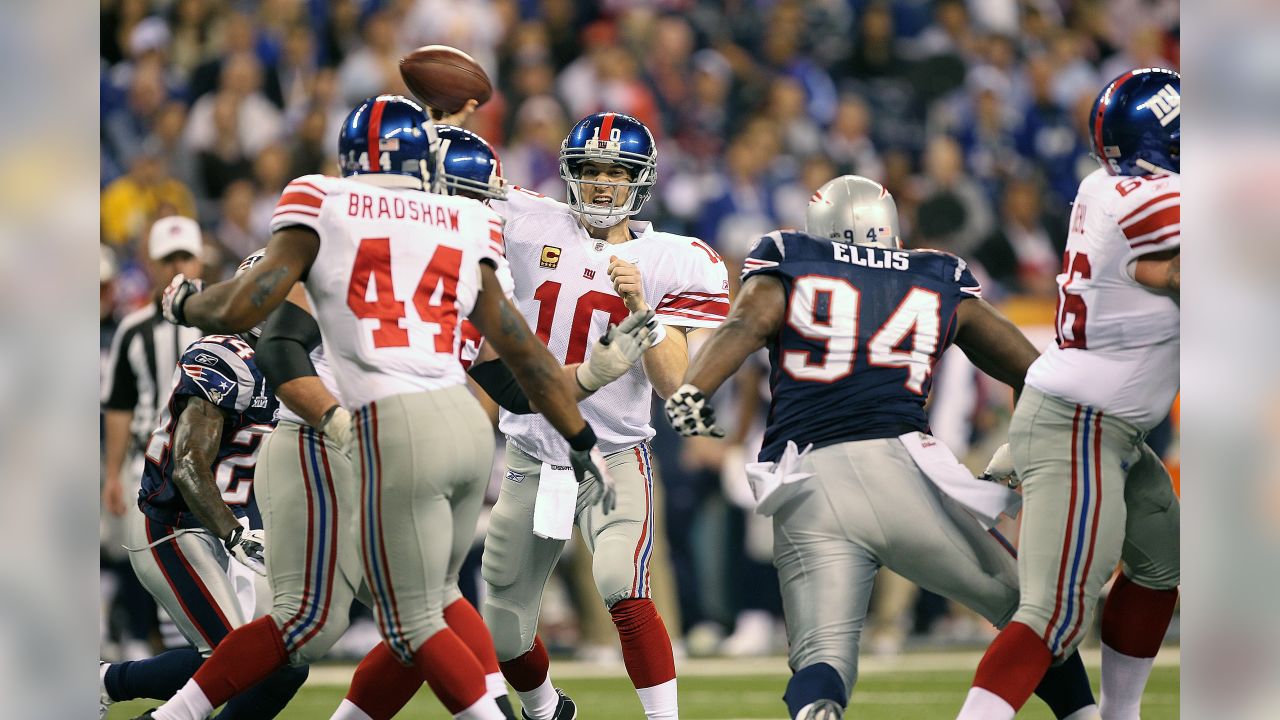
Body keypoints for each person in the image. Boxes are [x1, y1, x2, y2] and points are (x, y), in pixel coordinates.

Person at [150, 95, 619, 720]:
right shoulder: (466, 232)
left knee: (369, 616)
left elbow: (255, 321)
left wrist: (183, 304)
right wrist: (581, 435)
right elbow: (520, 360)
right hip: (447, 430)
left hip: (365, 427)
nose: (480, 204)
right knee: (423, 605)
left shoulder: (330, 208)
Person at [665, 175, 1098, 720]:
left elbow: (745, 323)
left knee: (821, 660)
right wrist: (1022, 445)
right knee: (1031, 610)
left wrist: (693, 388)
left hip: (806, 484)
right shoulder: (935, 275)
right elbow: (1033, 375)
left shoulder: (789, 259)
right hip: (902, 471)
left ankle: (817, 710)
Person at [468, 111, 729, 720]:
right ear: (569, 174)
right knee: (504, 625)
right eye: (590, 170)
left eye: (617, 171)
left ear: (642, 180)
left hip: (613, 454)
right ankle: (546, 711)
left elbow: (672, 382)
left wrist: (640, 302)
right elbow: (456, 187)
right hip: (531, 452)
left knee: (621, 585)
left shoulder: (673, 258)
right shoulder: (528, 220)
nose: (602, 183)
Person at [956, 68, 1181, 720]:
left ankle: (1119, 714)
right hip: (1083, 424)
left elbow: (1158, 267)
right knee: (1054, 614)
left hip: (1101, 426)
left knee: (1160, 557)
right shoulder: (1158, 196)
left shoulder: (1103, 185)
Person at [109, 251, 310, 720]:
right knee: (242, 663)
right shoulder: (226, 356)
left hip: (232, 529)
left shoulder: (295, 362)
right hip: (177, 525)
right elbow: (188, 465)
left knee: (287, 660)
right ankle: (106, 682)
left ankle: (103, 681)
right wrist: (235, 533)